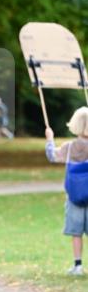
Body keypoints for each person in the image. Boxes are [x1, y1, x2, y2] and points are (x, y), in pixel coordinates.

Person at [45, 106, 88, 276]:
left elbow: (52, 155)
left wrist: (50, 139)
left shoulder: (69, 148)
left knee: (76, 233)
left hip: (74, 196)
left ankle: (78, 266)